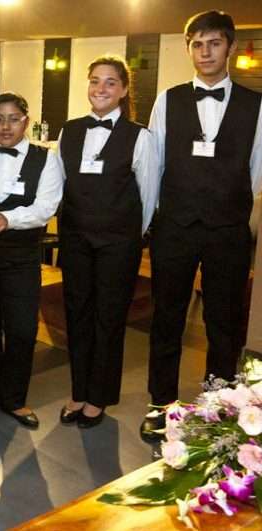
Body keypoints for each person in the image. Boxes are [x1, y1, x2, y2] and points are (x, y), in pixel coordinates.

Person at [141, 10, 262, 441]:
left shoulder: (256, 105)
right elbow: (153, 165)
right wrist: (150, 223)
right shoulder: (167, 100)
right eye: (197, 44)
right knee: (166, 318)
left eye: (214, 43)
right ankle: (161, 403)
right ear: (188, 48)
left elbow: (257, 171)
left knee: (223, 322)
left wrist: (227, 204)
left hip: (228, 230)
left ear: (230, 47)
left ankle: (218, 409)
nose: (205, 51)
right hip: (174, 226)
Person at [57, 55, 158, 429]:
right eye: (95, 80)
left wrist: (129, 236)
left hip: (118, 242)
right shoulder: (69, 131)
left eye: (111, 82)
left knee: (109, 318)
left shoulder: (140, 136)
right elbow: (59, 185)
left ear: (124, 90)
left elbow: (149, 195)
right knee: (77, 315)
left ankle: (98, 397)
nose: (101, 88)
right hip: (75, 239)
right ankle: (79, 391)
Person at [0, 92, 63, 428]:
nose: (5, 126)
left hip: (22, 256)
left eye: (13, 119)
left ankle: (14, 399)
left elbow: (46, 207)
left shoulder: (46, 159)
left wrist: (9, 218)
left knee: (22, 329)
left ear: (26, 121)